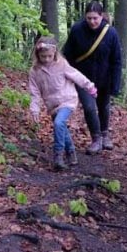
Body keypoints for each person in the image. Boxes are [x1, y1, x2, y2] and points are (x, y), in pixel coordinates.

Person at [62, 1, 123, 154]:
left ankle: (104, 135)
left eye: (95, 18)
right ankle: (96, 139)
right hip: (82, 78)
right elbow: (67, 55)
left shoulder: (111, 33)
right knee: (89, 108)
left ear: (102, 16)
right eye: (89, 18)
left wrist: (116, 85)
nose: (92, 21)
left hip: (104, 79)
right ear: (85, 17)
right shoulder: (77, 30)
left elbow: (117, 61)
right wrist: (65, 75)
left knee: (104, 107)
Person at [27, 36, 97, 170]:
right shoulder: (34, 71)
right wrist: (34, 109)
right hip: (52, 105)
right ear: (38, 55)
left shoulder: (62, 64)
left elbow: (76, 75)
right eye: (43, 56)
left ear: (54, 53)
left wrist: (89, 86)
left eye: (49, 56)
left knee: (59, 123)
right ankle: (71, 153)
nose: (46, 59)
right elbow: (34, 92)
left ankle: (58, 155)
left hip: (67, 100)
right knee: (62, 128)